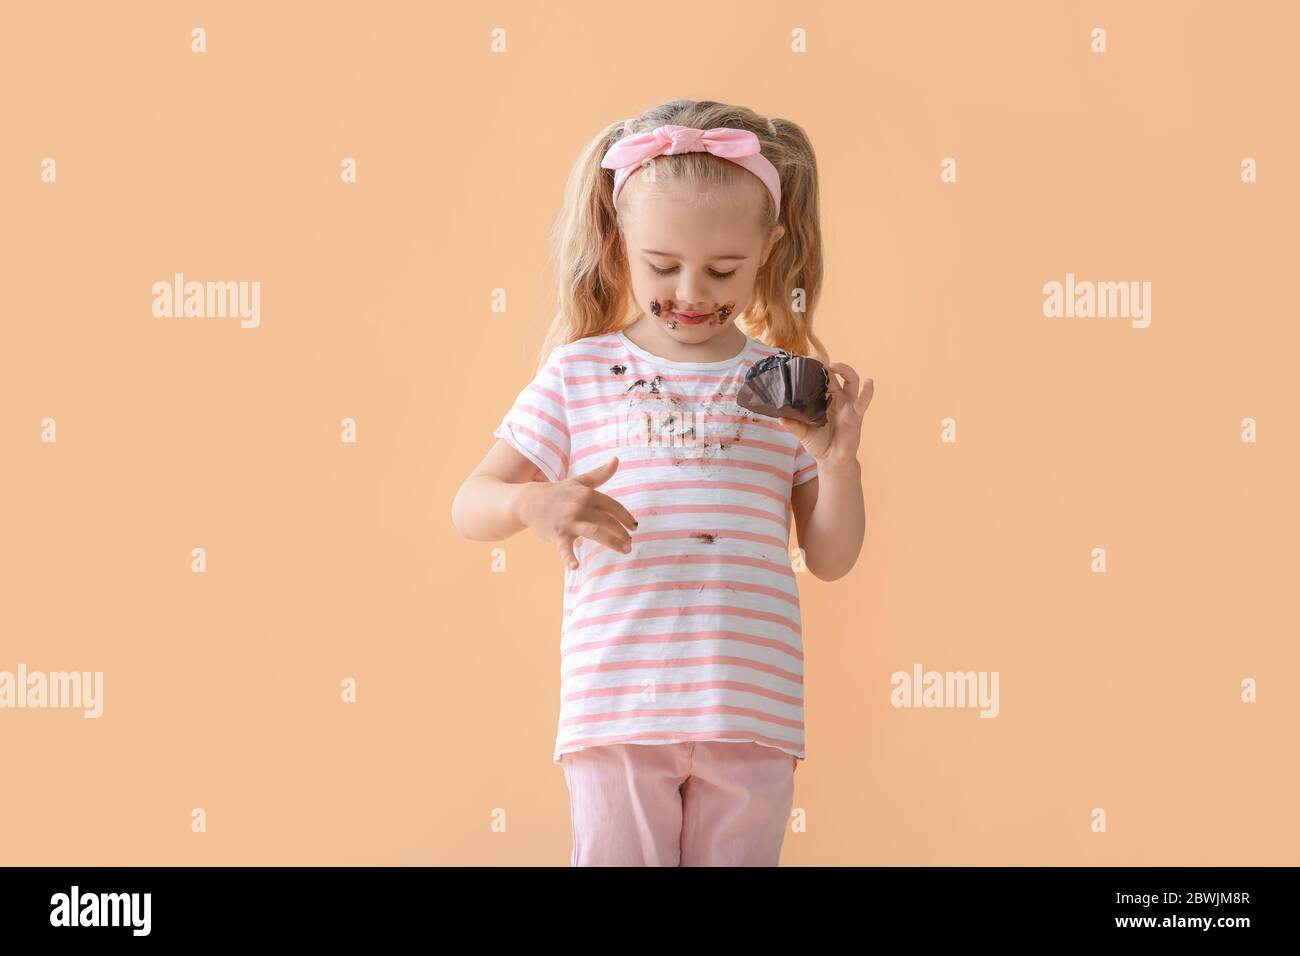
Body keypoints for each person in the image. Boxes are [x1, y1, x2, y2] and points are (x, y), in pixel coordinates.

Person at [452, 99, 873, 865]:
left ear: (768, 249)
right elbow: (469, 503)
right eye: (662, 264)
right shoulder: (580, 372)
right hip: (617, 709)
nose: (691, 292)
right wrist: (531, 501)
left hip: (751, 710)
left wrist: (839, 463)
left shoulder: (781, 385)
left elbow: (832, 555)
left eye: (723, 270)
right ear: (620, 240)